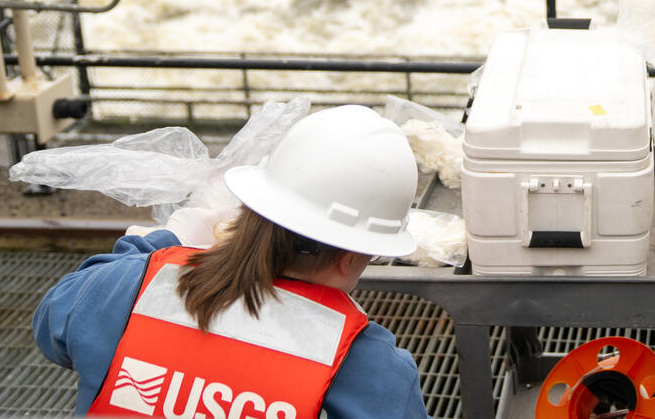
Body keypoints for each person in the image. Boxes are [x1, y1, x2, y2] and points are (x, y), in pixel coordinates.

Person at [32, 104, 430, 419]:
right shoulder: (367, 363)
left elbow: (53, 324)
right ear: (349, 256)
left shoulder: (130, 285)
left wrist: (161, 243)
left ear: (251, 212)